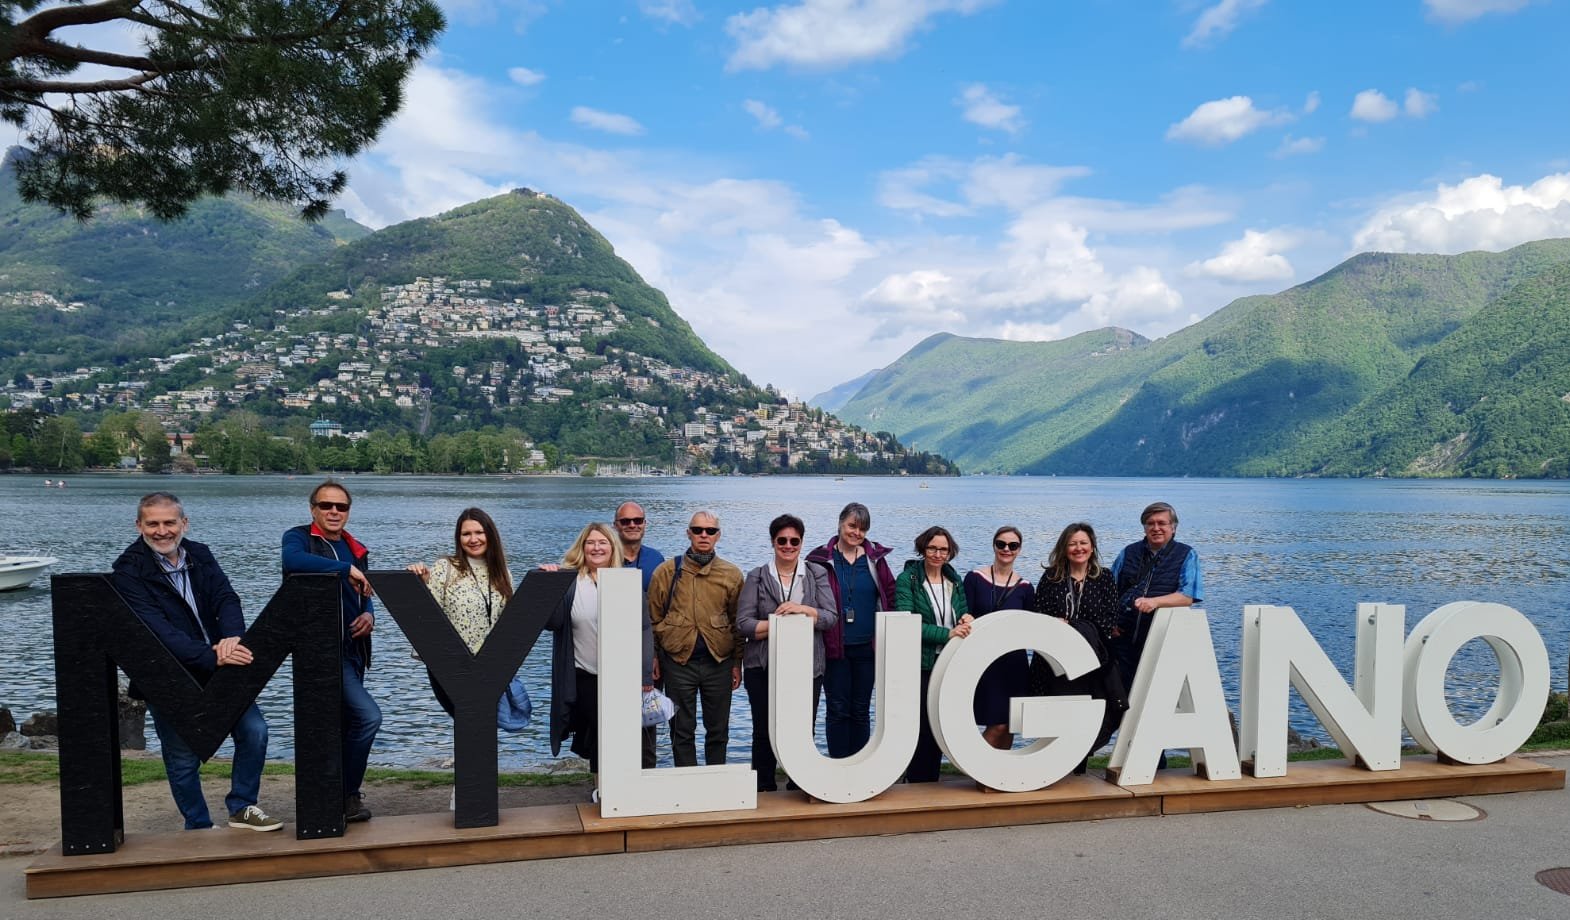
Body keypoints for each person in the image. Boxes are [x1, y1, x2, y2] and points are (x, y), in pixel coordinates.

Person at [111, 491, 282, 831]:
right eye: (153, 523)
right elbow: (155, 631)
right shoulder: (127, 571)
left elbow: (226, 598)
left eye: (169, 522)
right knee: (182, 756)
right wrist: (214, 656)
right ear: (139, 525)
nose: (162, 531)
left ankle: (242, 807)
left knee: (254, 731)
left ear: (183, 523)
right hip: (168, 675)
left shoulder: (200, 554)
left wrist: (232, 639)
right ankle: (198, 824)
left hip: (221, 663)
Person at [281, 480, 381, 823]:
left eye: (341, 507)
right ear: (313, 509)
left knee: (345, 724)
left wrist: (369, 613)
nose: (334, 512)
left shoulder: (357, 548)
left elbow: (366, 592)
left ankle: (335, 797)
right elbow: (293, 561)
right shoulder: (298, 538)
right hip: (322, 653)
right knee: (368, 717)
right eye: (326, 506)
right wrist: (344, 569)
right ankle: (346, 794)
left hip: (353, 651)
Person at [547, 523, 654, 788]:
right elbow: (552, 622)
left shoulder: (627, 579)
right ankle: (601, 788)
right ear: (582, 548)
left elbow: (643, 627)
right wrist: (548, 584)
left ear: (612, 547)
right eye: (591, 542)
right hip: (584, 673)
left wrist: (644, 673)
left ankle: (625, 787)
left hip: (621, 675)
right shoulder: (570, 581)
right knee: (599, 733)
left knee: (624, 735)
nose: (596, 548)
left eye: (602, 542)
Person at [736, 514, 836, 792]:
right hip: (762, 665)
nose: (788, 545)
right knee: (763, 730)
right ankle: (764, 787)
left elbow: (830, 617)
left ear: (802, 542)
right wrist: (781, 625)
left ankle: (799, 784)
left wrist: (803, 610)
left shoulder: (817, 574)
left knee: (803, 729)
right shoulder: (757, 576)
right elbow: (743, 624)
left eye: (794, 540)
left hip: (807, 666)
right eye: (782, 540)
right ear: (773, 542)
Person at [646, 511, 744, 767]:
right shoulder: (666, 572)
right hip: (678, 663)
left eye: (710, 531)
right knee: (681, 730)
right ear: (688, 533)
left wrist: (737, 663)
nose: (704, 535)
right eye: (698, 530)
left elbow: (737, 624)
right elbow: (653, 619)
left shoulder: (732, 575)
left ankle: (716, 783)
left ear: (718, 536)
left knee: (718, 731)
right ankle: (684, 784)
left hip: (719, 663)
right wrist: (655, 657)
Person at [806, 502, 898, 759]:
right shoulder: (820, 559)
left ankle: (860, 765)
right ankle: (838, 765)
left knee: (860, 709)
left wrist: (885, 631)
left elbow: (889, 594)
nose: (857, 533)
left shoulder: (875, 560)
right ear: (840, 523)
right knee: (837, 708)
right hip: (835, 647)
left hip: (867, 647)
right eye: (852, 526)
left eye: (862, 528)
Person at [1032, 522, 1125, 774]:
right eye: (1072, 543)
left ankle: (1079, 769)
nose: (1078, 548)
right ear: (1064, 548)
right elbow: (1039, 614)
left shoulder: (1104, 577)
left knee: (1087, 714)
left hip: (1092, 662)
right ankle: (1051, 769)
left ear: (1092, 547)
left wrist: (1072, 626)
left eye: (1083, 543)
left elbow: (1109, 619)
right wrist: (1058, 625)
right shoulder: (1051, 577)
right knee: (1058, 715)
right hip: (1055, 664)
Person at [406, 507, 514, 715]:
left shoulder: (503, 574)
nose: (473, 539)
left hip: (489, 667)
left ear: (490, 534)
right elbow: (428, 613)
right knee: (468, 718)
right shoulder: (445, 567)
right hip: (450, 665)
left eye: (479, 532)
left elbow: (510, 621)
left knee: (481, 724)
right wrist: (419, 583)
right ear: (459, 538)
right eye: (466, 534)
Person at [894, 526, 971, 784]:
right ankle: (915, 780)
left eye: (943, 550)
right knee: (919, 725)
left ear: (950, 553)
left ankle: (931, 781)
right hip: (921, 664)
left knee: (940, 725)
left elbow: (961, 613)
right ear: (923, 549)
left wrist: (967, 617)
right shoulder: (908, 580)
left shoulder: (954, 580)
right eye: (933, 548)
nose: (938, 554)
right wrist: (946, 634)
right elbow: (907, 623)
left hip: (948, 663)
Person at [1109, 502, 1204, 683]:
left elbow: (1188, 595)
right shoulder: (1129, 552)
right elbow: (1109, 590)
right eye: (1150, 523)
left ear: (1173, 528)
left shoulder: (1187, 555)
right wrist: (1109, 622)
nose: (1156, 528)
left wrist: (1155, 602)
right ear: (1144, 528)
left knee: (1156, 686)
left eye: (1162, 523)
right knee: (1120, 691)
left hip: (1162, 638)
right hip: (1122, 637)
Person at [964, 526, 1036, 751]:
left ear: (1019, 550)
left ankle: (996, 777)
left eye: (1012, 545)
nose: (1006, 549)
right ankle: (978, 766)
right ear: (994, 546)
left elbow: (1030, 626)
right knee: (997, 722)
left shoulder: (1025, 587)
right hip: (985, 660)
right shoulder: (975, 578)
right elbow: (965, 613)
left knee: (1010, 723)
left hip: (1013, 662)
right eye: (1001, 544)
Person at [614, 500, 666, 769]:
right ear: (616, 526)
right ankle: (610, 780)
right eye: (626, 521)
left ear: (645, 524)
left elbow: (661, 612)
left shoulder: (657, 560)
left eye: (638, 521)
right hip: (611, 652)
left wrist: (655, 655)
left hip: (649, 654)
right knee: (610, 719)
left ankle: (647, 776)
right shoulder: (604, 557)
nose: (632, 525)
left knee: (648, 718)